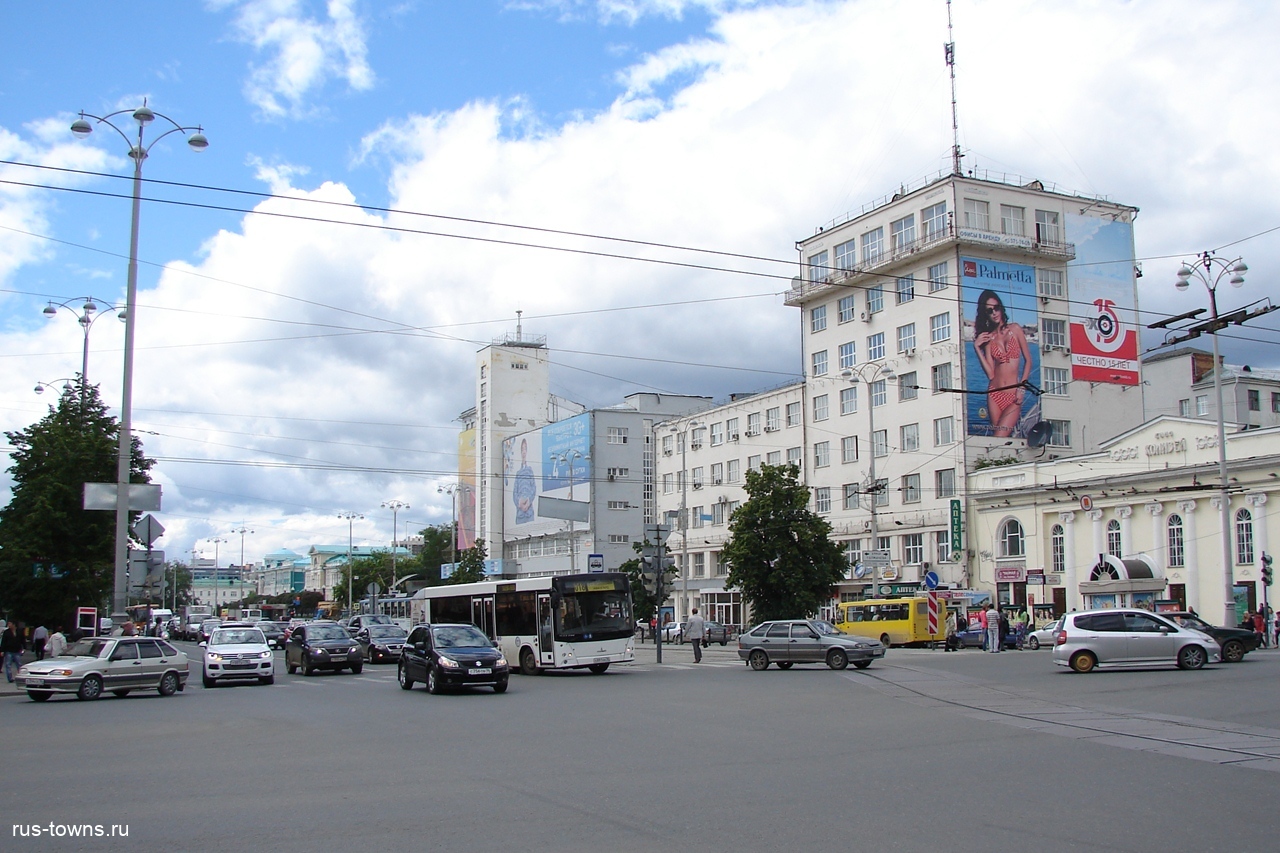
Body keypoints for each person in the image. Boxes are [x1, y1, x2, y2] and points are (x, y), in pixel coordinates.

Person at [972, 289, 1032, 438]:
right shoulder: (989, 339)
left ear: (1001, 307)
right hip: (994, 393)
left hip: (1013, 394)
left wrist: (1022, 388)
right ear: (985, 314)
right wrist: (977, 348)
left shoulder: (1015, 329)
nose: (994, 313)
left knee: (999, 437)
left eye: (996, 308)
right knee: (998, 440)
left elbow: (1028, 361)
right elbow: (991, 374)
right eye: (989, 310)